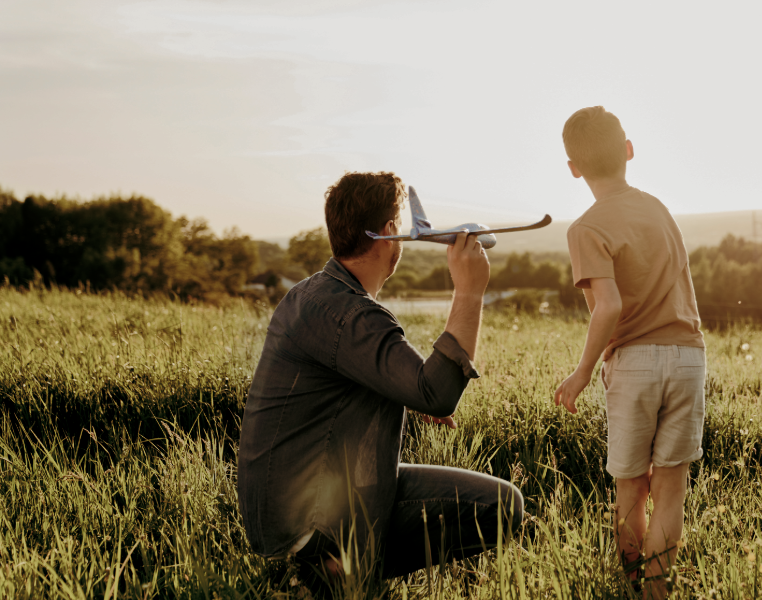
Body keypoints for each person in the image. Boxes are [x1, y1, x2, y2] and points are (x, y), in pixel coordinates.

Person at [237, 171, 523, 588]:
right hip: (308, 519)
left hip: (280, 511)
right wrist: (469, 291)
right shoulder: (350, 314)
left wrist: (403, 395)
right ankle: (337, 573)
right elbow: (439, 393)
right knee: (502, 506)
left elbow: (335, 383)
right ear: (389, 231)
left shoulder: (311, 295)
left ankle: (345, 571)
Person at [553, 107, 706, 599]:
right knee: (671, 490)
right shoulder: (658, 208)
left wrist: (581, 372)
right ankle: (658, 595)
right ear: (629, 150)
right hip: (687, 356)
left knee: (630, 488)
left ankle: (631, 591)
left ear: (574, 167)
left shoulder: (586, 228)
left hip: (635, 363)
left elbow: (609, 306)